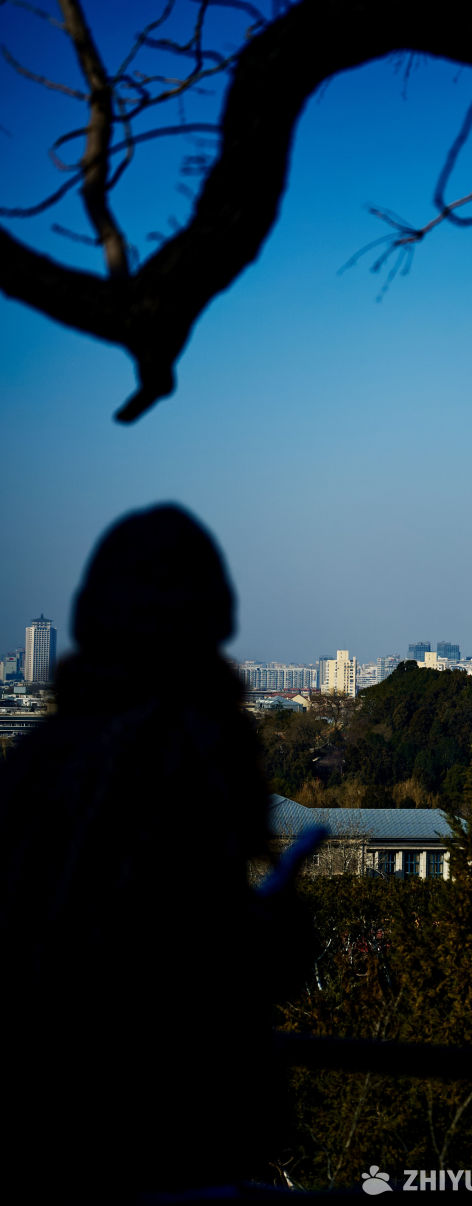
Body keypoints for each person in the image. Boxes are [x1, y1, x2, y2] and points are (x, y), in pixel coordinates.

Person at [0, 505, 281, 1200]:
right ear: (211, 615)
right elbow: (186, 944)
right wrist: (274, 928)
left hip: (33, 1123)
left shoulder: (39, 755)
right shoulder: (194, 746)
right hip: (160, 1127)